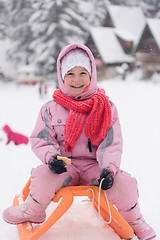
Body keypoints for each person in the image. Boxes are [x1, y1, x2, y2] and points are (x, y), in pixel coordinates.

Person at [3, 43, 156, 240]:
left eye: (82, 72)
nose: (77, 79)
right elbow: (42, 139)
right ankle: (34, 210)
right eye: (70, 74)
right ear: (61, 77)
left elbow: (111, 142)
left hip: (95, 167)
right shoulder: (50, 108)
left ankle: (135, 219)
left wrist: (108, 169)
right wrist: (52, 159)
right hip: (64, 166)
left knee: (125, 184)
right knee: (41, 176)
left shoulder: (106, 107)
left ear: (92, 75)